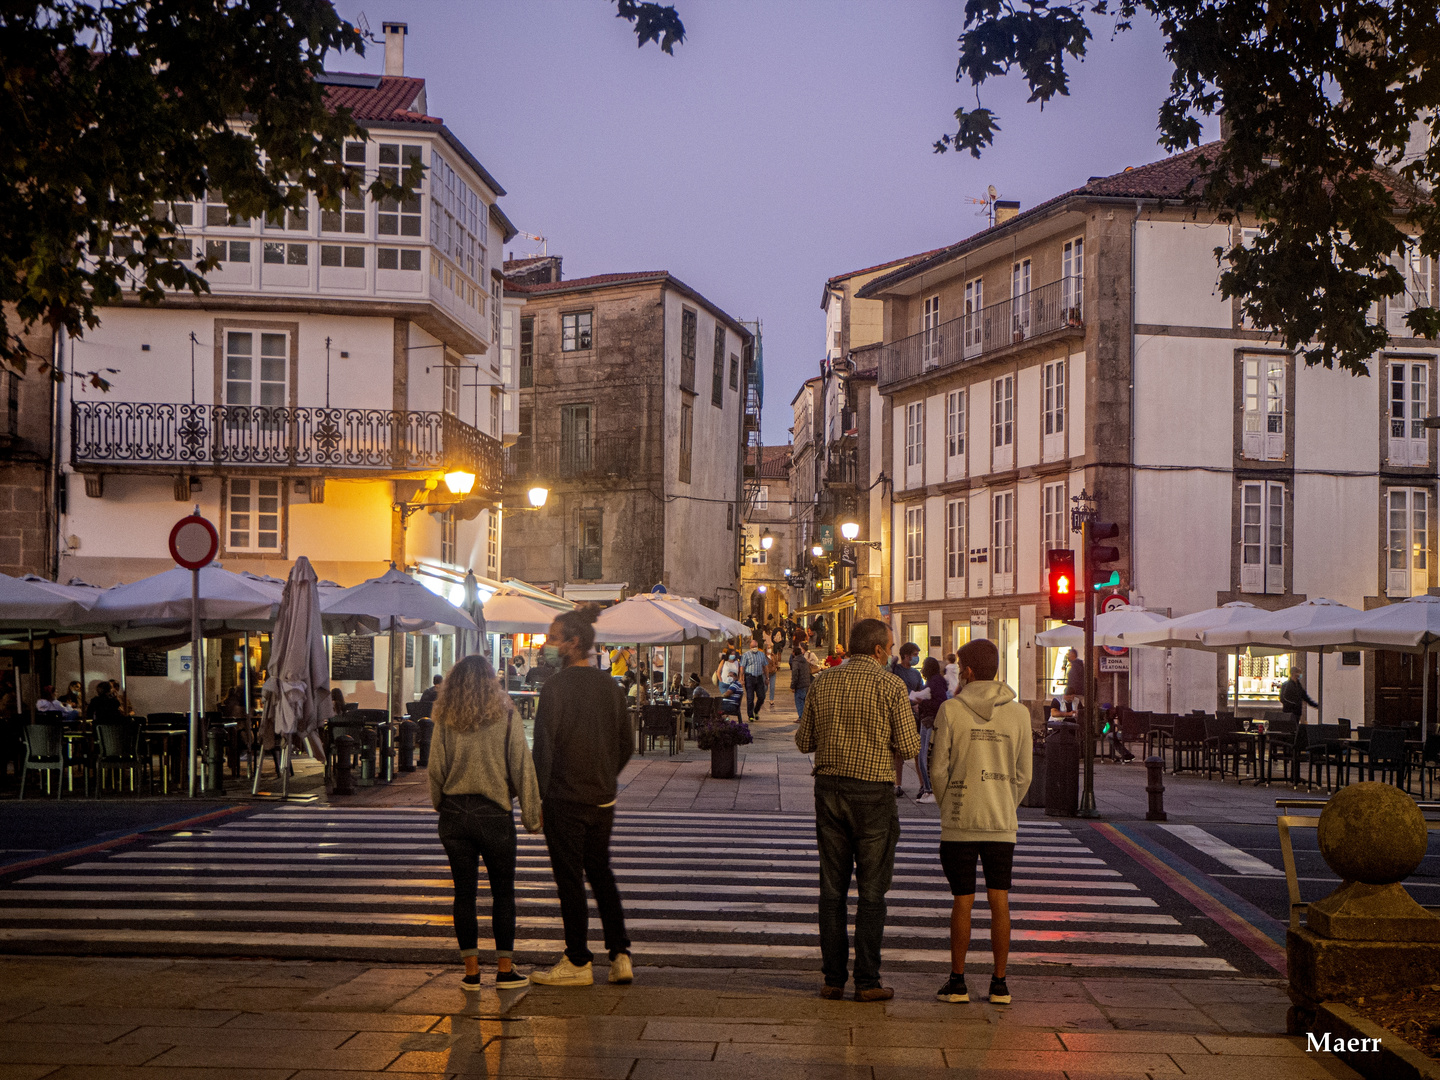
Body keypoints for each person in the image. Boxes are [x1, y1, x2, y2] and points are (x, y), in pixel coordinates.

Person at [795, 618, 919, 1002]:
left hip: (829, 791)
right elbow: (911, 747)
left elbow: (804, 742)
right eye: (891, 647)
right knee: (872, 891)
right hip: (872, 795)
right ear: (879, 650)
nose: (892, 654)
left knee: (831, 890)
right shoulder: (891, 685)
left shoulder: (825, 681)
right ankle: (867, 981)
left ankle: (833, 978)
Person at [531, 605, 636, 988]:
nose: (547, 644)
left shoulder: (555, 688)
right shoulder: (610, 686)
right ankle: (620, 954)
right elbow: (627, 744)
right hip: (602, 798)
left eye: (553, 638)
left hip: (565, 799)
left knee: (570, 879)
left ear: (573, 643)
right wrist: (606, 775)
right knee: (601, 873)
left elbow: (543, 749)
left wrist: (536, 800)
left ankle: (577, 959)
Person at [929, 638, 1033, 1007]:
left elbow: (937, 769)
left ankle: (957, 982)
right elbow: (1024, 775)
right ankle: (999, 984)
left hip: (959, 819)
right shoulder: (1019, 714)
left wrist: (949, 803)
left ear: (969, 671)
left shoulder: (951, 710)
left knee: (963, 901)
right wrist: (1005, 802)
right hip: (1001, 820)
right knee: (999, 899)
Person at [429, 654, 541, 991]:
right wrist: (532, 816)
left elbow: (436, 768)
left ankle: (472, 973)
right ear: (492, 681)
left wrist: (442, 804)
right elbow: (522, 766)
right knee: (502, 894)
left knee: (464, 894)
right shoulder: (506, 716)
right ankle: (505, 970)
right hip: (494, 813)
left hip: (455, 814)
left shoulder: (445, 718)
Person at [907, 656, 948, 803]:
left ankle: (930, 789)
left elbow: (939, 703)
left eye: (924, 665)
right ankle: (927, 789)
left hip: (930, 721)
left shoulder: (935, 682)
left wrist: (922, 703)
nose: (922, 667)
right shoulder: (934, 681)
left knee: (925, 757)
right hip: (926, 720)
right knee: (923, 756)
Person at [891, 643, 924, 798]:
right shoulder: (896, 670)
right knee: (899, 752)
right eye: (914, 654)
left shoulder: (916, 674)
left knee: (917, 750)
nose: (916, 657)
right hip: (899, 714)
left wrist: (919, 701)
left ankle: (922, 784)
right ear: (906, 655)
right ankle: (898, 783)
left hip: (913, 714)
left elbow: (920, 690)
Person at [740, 638, 769, 721]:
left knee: (761, 696)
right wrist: (741, 678)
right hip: (749, 677)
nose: (754, 648)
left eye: (755, 646)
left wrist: (767, 678)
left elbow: (765, 666)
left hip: (759, 677)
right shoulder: (746, 655)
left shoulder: (761, 654)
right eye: (753, 646)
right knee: (750, 698)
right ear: (750, 646)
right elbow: (742, 667)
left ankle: (756, 710)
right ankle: (750, 715)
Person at [790, 641, 813, 720]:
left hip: (800, 685)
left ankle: (801, 717)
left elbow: (795, 675)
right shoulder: (805, 661)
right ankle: (805, 717)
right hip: (806, 684)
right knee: (805, 702)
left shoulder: (796, 662)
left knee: (799, 701)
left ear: (794, 653)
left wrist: (793, 686)